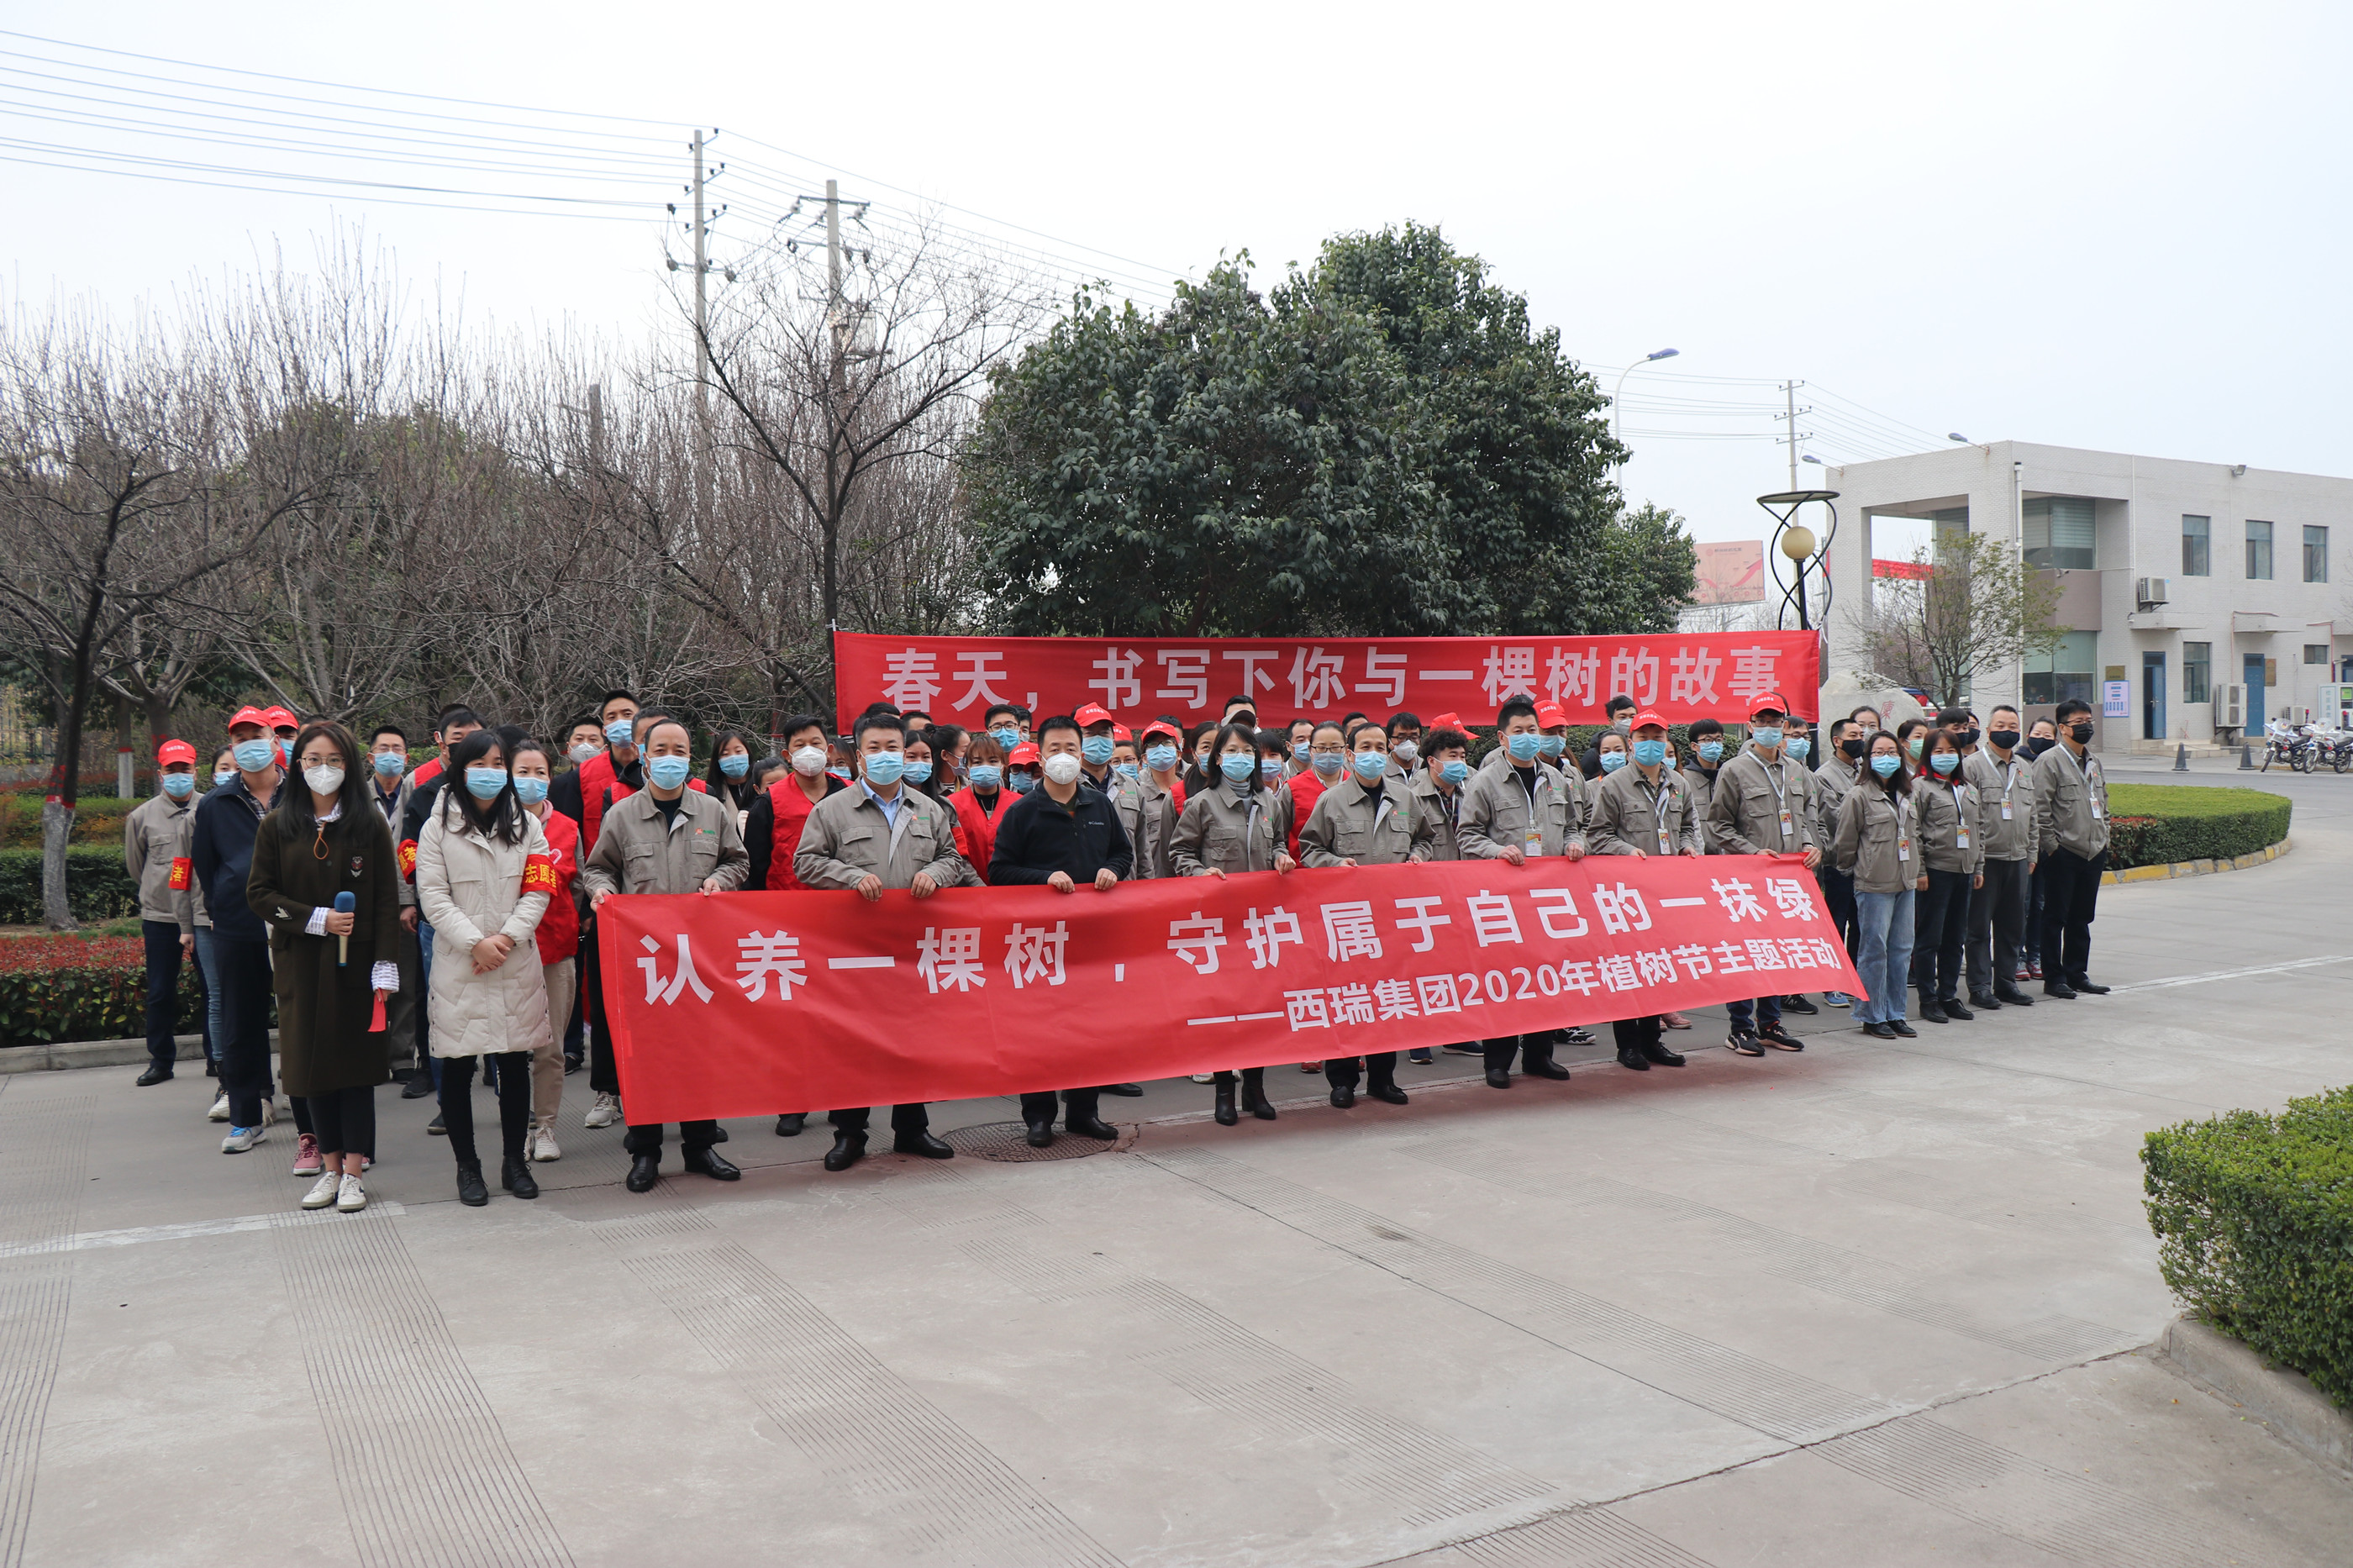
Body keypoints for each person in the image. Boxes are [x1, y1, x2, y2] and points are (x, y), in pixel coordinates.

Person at [578, 716, 753, 1192]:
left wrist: (721, 880)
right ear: (644, 754)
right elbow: (597, 870)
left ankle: (699, 1147)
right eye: (662, 749)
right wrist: (602, 893)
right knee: (646, 1057)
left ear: (690, 757)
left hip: (699, 958)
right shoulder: (622, 814)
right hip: (645, 958)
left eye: (680, 749)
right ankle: (646, 1152)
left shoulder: (712, 811)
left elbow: (738, 861)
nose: (671, 757)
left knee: (699, 1053)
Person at [794, 712, 971, 1169]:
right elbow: (806, 863)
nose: (885, 756)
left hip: (915, 948)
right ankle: (850, 1134)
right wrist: (849, 876)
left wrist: (935, 872)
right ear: (857, 754)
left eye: (893, 747)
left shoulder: (931, 809)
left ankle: (912, 1129)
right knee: (854, 1044)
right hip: (855, 950)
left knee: (913, 1040)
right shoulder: (831, 809)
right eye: (874, 748)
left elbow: (953, 858)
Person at [245, 720, 400, 1213]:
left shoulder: (367, 823)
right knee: (311, 1071)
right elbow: (260, 894)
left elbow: (384, 900)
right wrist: (315, 919)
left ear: (350, 766)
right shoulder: (277, 824)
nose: (323, 769)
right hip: (302, 967)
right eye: (313, 760)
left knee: (353, 1069)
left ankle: (354, 1171)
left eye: (334, 760)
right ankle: (330, 1168)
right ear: (297, 764)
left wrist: (385, 965)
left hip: (355, 968)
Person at [416, 729, 556, 1205]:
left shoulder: (528, 825)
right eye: (480, 762)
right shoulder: (436, 827)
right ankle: (467, 1168)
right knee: (456, 1070)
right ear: (459, 767)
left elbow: (539, 888)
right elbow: (432, 896)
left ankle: (514, 1162)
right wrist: (476, 943)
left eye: (499, 763)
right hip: (461, 966)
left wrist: (506, 938)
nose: (490, 772)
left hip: (514, 961)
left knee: (515, 1065)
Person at [989, 715, 1132, 1148]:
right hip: (1038, 941)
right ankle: (1038, 1117)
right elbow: (999, 871)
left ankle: (1084, 1112)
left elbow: (1122, 853)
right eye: (1055, 749)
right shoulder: (1022, 811)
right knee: (1040, 1029)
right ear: (1039, 752)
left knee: (1089, 1026)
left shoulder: (1099, 804)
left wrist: (1112, 869)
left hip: (1091, 937)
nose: (1064, 758)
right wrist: (1044, 878)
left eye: (1072, 748)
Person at [1297, 720, 1434, 1108]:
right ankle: (1341, 1081)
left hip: (1391, 917)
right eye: (1365, 747)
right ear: (1352, 754)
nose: (1374, 753)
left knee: (1387, 997)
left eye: (1380, 746)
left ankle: (1382, 1079)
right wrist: (1334, 864)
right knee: (1347, 997)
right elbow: (1309, 849)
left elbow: (1425, 838)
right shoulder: (1332, 800)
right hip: (1347, 919)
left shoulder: (1405, 797)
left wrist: (1417, 857)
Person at [1171, 720, 1296, 1123]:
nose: (1240, 758)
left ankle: (1256, 1090)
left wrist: (1279, 856)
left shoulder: (1270, 801)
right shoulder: (1202, 803)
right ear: (1217, 759)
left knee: (1260, 1007)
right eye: (1232, 751)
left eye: (1247, 751)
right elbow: (1180, 853)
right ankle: (1224, 1090)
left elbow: (1277, 840)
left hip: (1260, 922)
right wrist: (1198, 873)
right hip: (1218, 923)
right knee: (1224, 1009)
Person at [1457, 697, 1587, 1087]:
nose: (1529, 738)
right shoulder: (1485, 781)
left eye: (1533, 730)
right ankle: (1498, 1061)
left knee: (1547, 975)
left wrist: (1574, 842)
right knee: (1507, 979)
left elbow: (1574, 825)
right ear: (1502, 737)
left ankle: (1539, 1055)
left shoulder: (1556, 778)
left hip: (1548, 896)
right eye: (1519, 731)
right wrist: (1497, 850)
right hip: (1504, 897)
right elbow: (1467, 835)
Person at [190, 706, 292, 1152]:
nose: (250, 743)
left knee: (301, 1019)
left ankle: (312, 1123)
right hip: (238, 925)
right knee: (241, 1022)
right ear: (232, 746)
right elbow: (206, 867)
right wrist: (224, 905)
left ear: (274, 741)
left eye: (258, 734)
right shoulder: (215, 804)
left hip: (297, 924)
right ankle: (247, 1117)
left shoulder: (302, 794)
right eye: (240, 737)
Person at [1586, 709, 1704, 1071]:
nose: (1651, 744)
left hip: (1665, 891)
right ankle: (1628, 1045)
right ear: (1630, 744)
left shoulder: (1678, 784)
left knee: (1657, 968)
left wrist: (1688, 846)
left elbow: (1688, 826)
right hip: (1627, 893)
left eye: (1657, 738)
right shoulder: (1615, 784)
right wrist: (1627, 850)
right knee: (1629, 969)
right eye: (1643, 738)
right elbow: (1598, 836)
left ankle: (1653, 1041)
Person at [1705, 693, 1819, 1055]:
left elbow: (1803, 819)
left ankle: (1770, 1023)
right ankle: (1740, 1027)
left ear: (1784, 725)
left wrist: (1810, 845)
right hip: (1747, 880)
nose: (1769, 728)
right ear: (1750, 724)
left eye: (1776, 721)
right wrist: (1753, 852)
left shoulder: (1798, 771)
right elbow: (1718, 826)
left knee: (1779, 952)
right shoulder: (1735, 770)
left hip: (1789, 879)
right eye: (1762, 721)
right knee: (1747, 953)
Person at [398, 706, 485, 1118]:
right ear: (443, 745)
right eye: (458, 742)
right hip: (443, 920)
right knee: (445, 1012)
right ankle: (447, 1102)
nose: (467, 750)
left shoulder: (501, 793)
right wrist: (423, 896)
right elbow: (408, 851)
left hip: (497, 922)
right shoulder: (425, 795)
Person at [509, 737, 580, 1160]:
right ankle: (518, 1126)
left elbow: (585, 880)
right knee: (513, 1047)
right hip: (507, 951)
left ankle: (546, 1126)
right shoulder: (493, 826)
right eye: (523, 772)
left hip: (557, 948)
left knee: (551, 1047)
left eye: (540, 772)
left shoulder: (568, 827)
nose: (533, 780)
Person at [1834, 731, 1919, 1039]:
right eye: (1879, 753)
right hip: (1874, 884)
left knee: (1900, 950)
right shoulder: (1858, 795)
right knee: (1874, 950)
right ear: (1869, 759)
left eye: (1892, 752)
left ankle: (1895, 1012)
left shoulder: (1907, 793)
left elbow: (1915, 835)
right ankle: (1871, 1014)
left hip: (1905, 881)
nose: (1887, 758)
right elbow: (1845, 841)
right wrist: (1853, 871)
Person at [126, 739, 200, 1087]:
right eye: (172, 770)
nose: (179, 775)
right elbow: (136, 867)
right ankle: (160, 1061)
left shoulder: (214, 808)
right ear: (161, 774)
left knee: (216, 990)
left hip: (204, 916)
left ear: (195, 771)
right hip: (161, 918)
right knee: (160, 991)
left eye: (185, 769)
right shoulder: (141, 817)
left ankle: (219, 1060)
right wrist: (164, 894)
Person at [1403, 723, 1477, 1063]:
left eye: (1463, 756)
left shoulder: (1471, 789)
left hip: (1464, 888)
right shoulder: (1409, 794)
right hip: (1424, 893)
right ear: (1433, 761)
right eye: (1453, 756)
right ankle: (1419, 1034)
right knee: (1422, 965)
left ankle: (1455, 1033)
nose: (1460, 762)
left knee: (1459, 964)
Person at [2032, 697, 2112, 999]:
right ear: (2062, 728)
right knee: (2055, 918)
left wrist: (2104, 837)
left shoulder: (2094, 761)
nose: (2086, 727)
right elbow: (2039, 809)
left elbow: (2103, 802)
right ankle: (2054, 978)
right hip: (2064, 853)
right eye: (2079, 723)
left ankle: (2077, 973)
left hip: (2093, 852)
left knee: (2082, 918)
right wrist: (2052, 848)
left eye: (2089, 721)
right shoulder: (2049, 761)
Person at [1963, 706, 2039, 1013]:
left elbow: (2032, 814)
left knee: (2012, 926)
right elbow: (1967, 817)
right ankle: (1980, 986)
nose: (2007, 729)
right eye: (2000, 724)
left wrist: (2032, 852)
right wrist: (1976, 860)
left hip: (2018, 858)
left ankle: (2006, 982)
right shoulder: (1972, 766)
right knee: (1979, 927)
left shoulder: (2024, 766)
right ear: (1989, 729)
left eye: (2013, 724)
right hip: (1987, 860)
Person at [1908, 727, 1982, 1023]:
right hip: (1936, 872)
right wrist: (1921, 871)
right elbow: (1913, 833)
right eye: (1938, 751)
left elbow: (1980, 830)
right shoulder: (1920, 788)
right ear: (1927, 755)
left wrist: (1978, 866)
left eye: (1950, 751)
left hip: (1964, 872)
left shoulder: (1968, 788)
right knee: (1929, 940)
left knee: (1955, 938)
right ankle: (1928, 999)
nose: (1945, 757)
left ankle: (1949, 995)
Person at [195, 745, 236, 1117]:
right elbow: (193, 870)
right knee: (222, 998)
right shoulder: (209, 807)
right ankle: (230, 1080)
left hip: (273, 918)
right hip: (213, 918)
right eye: (224, 766)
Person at [1813, 718, 1866, 1006]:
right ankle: (1831, 983)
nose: (1859, 739)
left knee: (1861, 923)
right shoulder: (1825, 776)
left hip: (1866, 863)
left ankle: (1854, 978)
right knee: (1836, 923)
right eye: (1853, 735)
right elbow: (1836, 818)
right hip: (1838, 861)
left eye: (1861, 734)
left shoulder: (1865, 771)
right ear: (1837, 740)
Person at [945, 733, 1014, 891]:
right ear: (967, 769)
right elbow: (954, 853)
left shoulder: (1019, 804)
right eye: (977, 762)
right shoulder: (952, 804)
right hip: (968, 893)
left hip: (1011, 891)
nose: (986, 766)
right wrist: (979, 887)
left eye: (993, 761)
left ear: (1003, 766)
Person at [706, 724, 762, 818]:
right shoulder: (711, 793)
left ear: (748, 752)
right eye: (725, 754)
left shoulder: (762, 783)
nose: (733, 757)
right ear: (717, 760)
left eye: (738, 751)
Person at [1579, 694, 1637, 779]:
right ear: (1611, 720)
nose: (1628, 721)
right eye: (1622, 717)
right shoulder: (1592, 755)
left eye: (1632, 717)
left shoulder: (1640, 749)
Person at [1385, 711, 1423, 777]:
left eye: (1414, 737)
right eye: (1401, 737)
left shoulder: (1429, 768)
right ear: (1389, 741)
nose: (1408, 742)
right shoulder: (1380, 769)